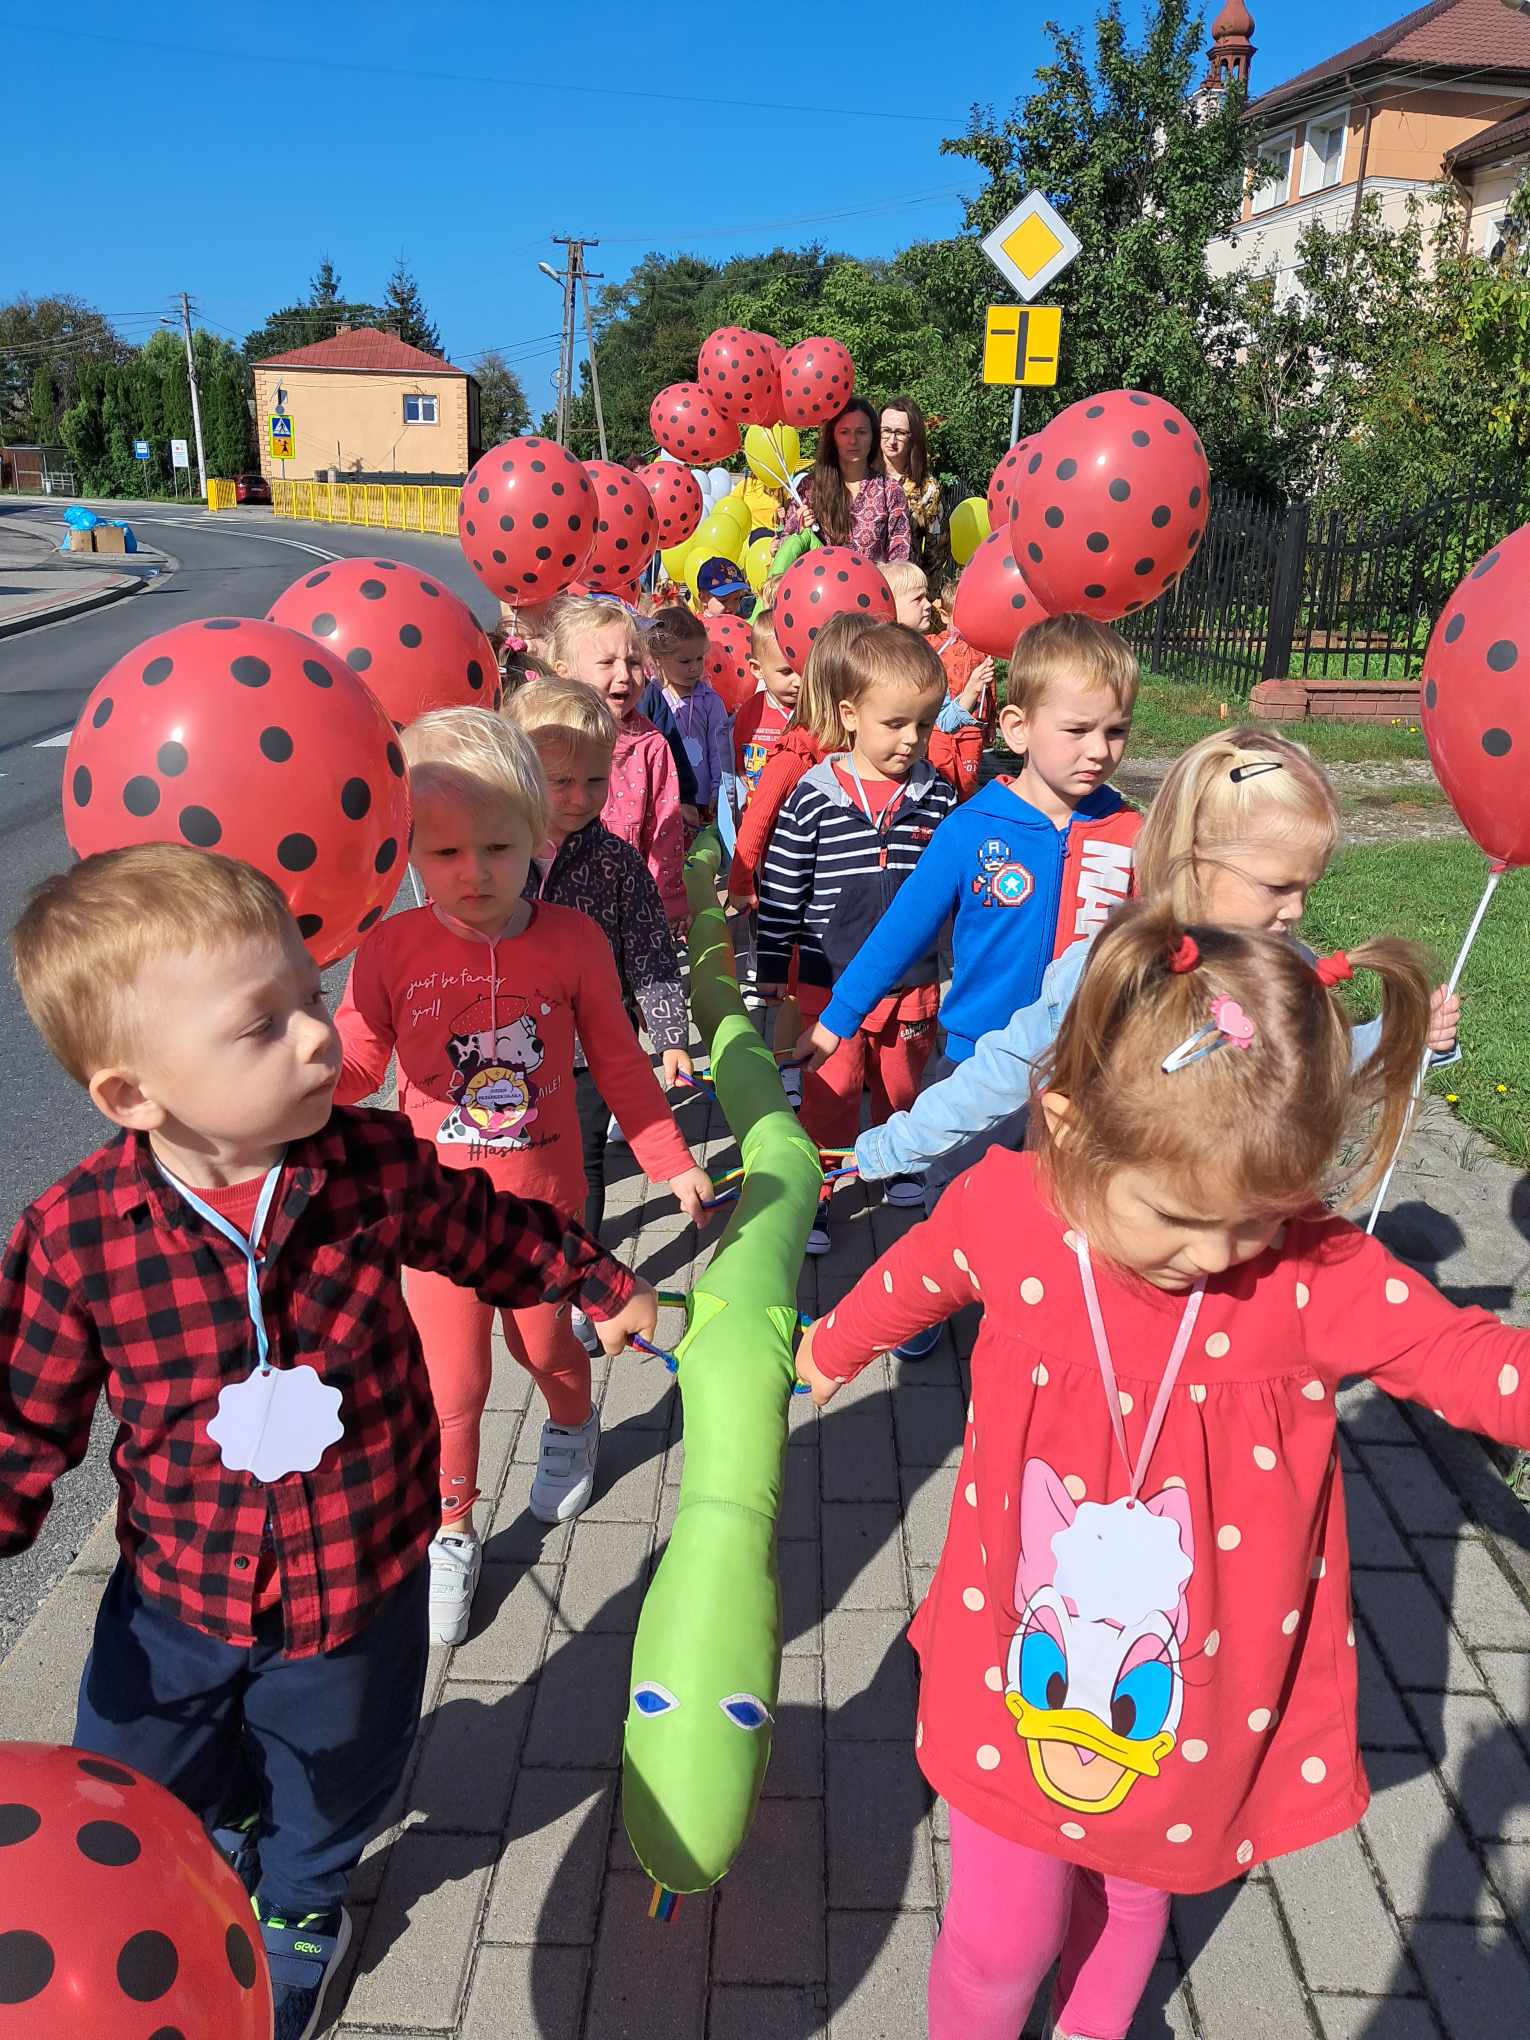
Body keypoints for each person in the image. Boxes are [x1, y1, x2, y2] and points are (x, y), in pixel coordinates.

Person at [796, 901, 1530, 2040]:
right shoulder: (1010, 1209)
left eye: (1256, 1218)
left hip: (1189, 1690)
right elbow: (921, 1273)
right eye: (1180, 1217)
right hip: (1016, 1656)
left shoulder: (1308, 1269)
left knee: (1134, 1894)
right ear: (1067, 1124)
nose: (1219, 1255)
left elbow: (1461, 1358)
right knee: (1000, 1936)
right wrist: (831, 1347)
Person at [1, 843, 656, 2039]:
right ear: (133, 1096)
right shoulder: (76, 1236)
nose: (319, 1037)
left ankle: (303, 1906)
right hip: (176, 1594)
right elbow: (21, 1422)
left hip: (358, 1574)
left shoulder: (369, 1163)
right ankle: (195, 1856)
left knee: (338, 1763)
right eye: (265, 1026)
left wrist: (595, 1281)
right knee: (139, 1775)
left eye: (313, 997)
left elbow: (487, 1229)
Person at [334, 710, 710, 1642]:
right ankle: (451, 1532)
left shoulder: (574, 941)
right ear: (408, 849)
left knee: (546, 1354)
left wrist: (669, 1160)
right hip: (432, 1221)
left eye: (498, 847)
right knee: (449, 1386)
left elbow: (618, 1064)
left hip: (546, 1218)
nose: (474, 873)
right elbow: (356, 1062)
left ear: (538, 832)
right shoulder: (388, 949)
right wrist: (291, 1072)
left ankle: (572, 1425)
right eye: (445, 852)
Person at [853, 727, 1463, 1201]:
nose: (1298, 909)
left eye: (1309, 884)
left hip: (1229, 1217)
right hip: (1114, 1216)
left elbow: (1321, 1064)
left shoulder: (1288, 969)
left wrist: (1403, 1038)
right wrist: (900, 1145)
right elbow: (1007, 1068)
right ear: (1195, 860)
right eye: (1278, 886)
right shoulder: (1121, 966)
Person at [803, 616, 1142, 1075]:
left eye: (1115, 731)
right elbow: (903, 929)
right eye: (1077, 730)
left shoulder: (1131, 834)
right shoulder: (969, 830)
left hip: (1085, 1067)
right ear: (1017, 728)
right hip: (976, 1065)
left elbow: (1160, 945)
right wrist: (838, 1018)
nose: (1100, 750)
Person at [756, 624, 955, 1253]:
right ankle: (819, 1190)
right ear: (850, 715)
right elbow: (782, 886)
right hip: (829, 981)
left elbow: (955, 889)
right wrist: (771, 967)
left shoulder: (938, 797)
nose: (911, 740)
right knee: (830, 1094)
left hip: (912, 984)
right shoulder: (813, 798)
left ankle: (901, 1162)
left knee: (902, 1087)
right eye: (894, 723)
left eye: (924, 724)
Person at [505, 677, 693, 1339]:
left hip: (589, 1050)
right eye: (560, 781)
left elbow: (649, 951)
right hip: (505, 1050)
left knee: (581, 1170)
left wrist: (670, 1035)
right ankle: (517, 1259)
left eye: (594, 780)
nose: (581, 797)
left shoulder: (615, 860)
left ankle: (579, 1285)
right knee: (514, 1164)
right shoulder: (495, 857)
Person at [727, 612, 988, 912]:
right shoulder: (798, 755)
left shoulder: (884, 754)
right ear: (848, 702)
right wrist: (741, 884)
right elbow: (757, 820)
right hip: (798, 901)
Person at [544, 596, 689, 923]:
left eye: (634, 662)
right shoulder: (547, 736)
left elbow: (665, 833)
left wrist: (668, 899)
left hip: (625, 904)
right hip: (553, 904)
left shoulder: (651, 745)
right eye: (607, 662)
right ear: (564, 673)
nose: (624, 674)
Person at [780, 397, 911, 563]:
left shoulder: (890, 491)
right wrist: (800, 530)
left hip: (872, 580)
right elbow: (784, 551)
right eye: (844, 432)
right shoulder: (810, 488)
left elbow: (900, 559)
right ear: (833, 437)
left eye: (861, 432)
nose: (853, 440)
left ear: (873, 436)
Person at [638, 605, 732, 821]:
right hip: (663, 802)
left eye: (699, 659)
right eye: (685, 661)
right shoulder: (651, 699)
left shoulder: (710, 701)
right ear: (658, 657)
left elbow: (719, 750)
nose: (695, 668)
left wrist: (718, 791)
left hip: (703, 804)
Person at [879, 395, 949, 582]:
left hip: (905, 587)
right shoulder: (861, 477)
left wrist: (924, 592)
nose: (892, 440)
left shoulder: (928, 489)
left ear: (913, 437)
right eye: (886, 431)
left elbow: (936, 553)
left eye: (900, 433)